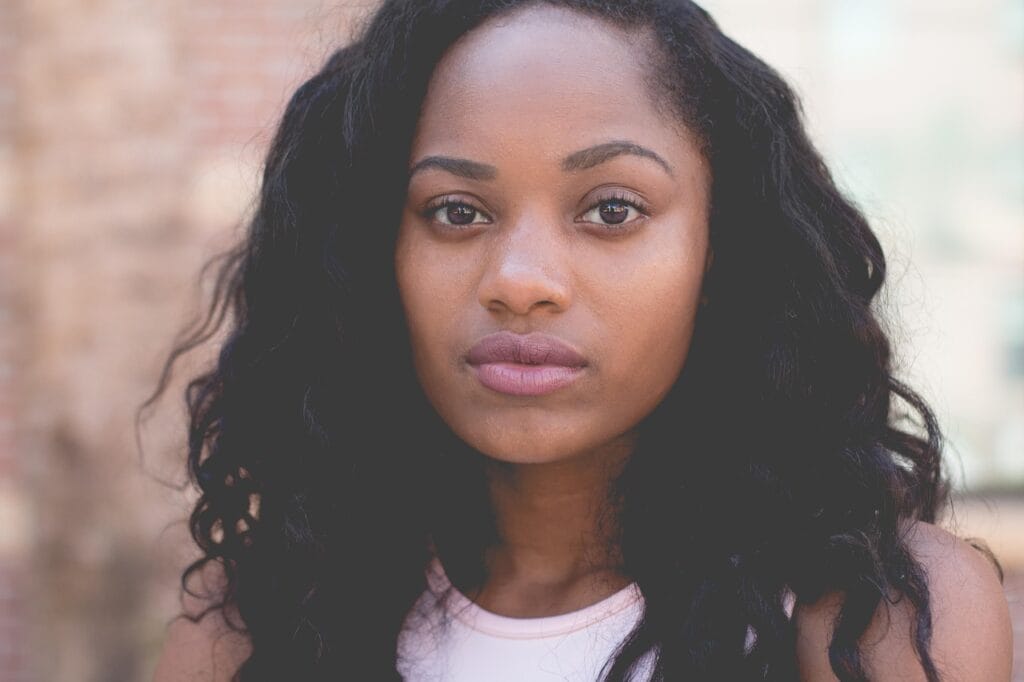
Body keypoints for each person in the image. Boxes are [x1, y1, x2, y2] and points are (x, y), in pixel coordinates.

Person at [149, 1, 1013, 680]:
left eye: (612, 210)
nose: (520, 280)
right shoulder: (250, 632)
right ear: (373, 258)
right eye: (457, 212)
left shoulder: (874, 620)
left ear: (724, 254)